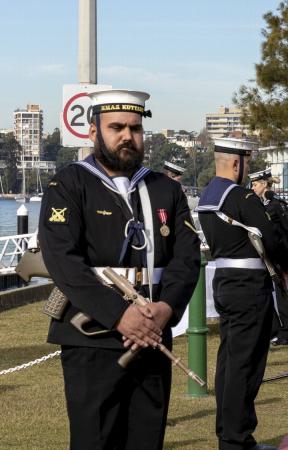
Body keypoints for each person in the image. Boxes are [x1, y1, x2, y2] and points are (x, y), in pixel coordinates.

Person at [39, 89, 200, 449]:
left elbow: (186, 258)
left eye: (135, 127)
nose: (128, 136)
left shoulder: (165, 190)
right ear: (93, 131)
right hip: (92, 336)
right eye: (116, 127)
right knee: (94, 440)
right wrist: (118, 315)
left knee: (147, 438)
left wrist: (167, 309)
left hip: (153, 333)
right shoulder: (69, 184)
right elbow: (64, 262)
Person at [197, 139, 288, 450]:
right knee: (246, 364)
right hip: (249, 284)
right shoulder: (242, 197)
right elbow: (272, 237)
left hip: (224, 279)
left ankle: (229, 433)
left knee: (229, 361)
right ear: (237, 164)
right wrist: (286, 264)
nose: (247, 169)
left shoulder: (208, 195)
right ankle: (237, 439)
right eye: (247, 163)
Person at [249, 169, 288, 346]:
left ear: (265, 185)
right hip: (265, 256)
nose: (252, 188)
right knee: (265, 293)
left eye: (255, 185)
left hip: (278, 255)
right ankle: (273, 329)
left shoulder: (275, 205)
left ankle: (284, 333)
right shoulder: (258, 205)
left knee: (283, 294)